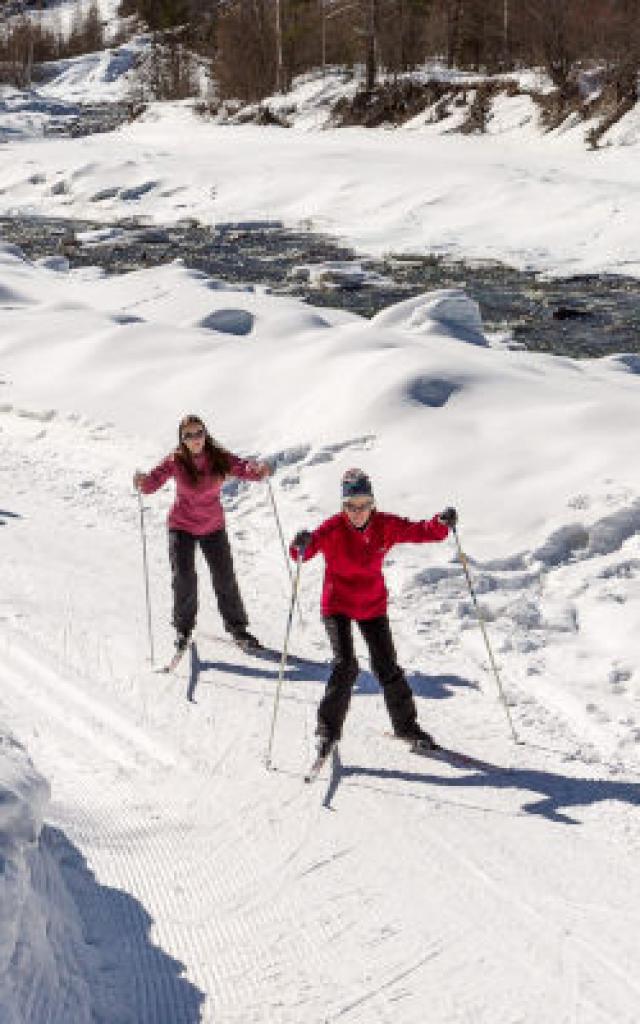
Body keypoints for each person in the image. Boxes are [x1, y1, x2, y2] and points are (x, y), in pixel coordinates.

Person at [290, 468, 457, 757]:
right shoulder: (332, 528)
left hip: (372, 605)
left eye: (363, 504)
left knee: (387, 668)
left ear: (372, 503)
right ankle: (327, 730)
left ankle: (407, 727)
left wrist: (441, 524)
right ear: (343, 506)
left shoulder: (384, 525)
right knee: (346, 665)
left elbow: (419, 531)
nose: (357, 511)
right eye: (351, 506)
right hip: (338, 604)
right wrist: (300, 544)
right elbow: (304, 552)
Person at [134, 414, 271, 653]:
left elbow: (242, 467)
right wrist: (142, 482)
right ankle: (183, 628)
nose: (196, 439)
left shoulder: (219, 457)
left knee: (224, 577)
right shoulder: (175, 460)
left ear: (205, 434)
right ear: (182, 439)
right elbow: (152, 482)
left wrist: (258, 471)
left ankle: (238, 629)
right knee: (184, 578)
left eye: (199, 433)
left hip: (213, 527)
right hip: (182, 527)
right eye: (189, 435)